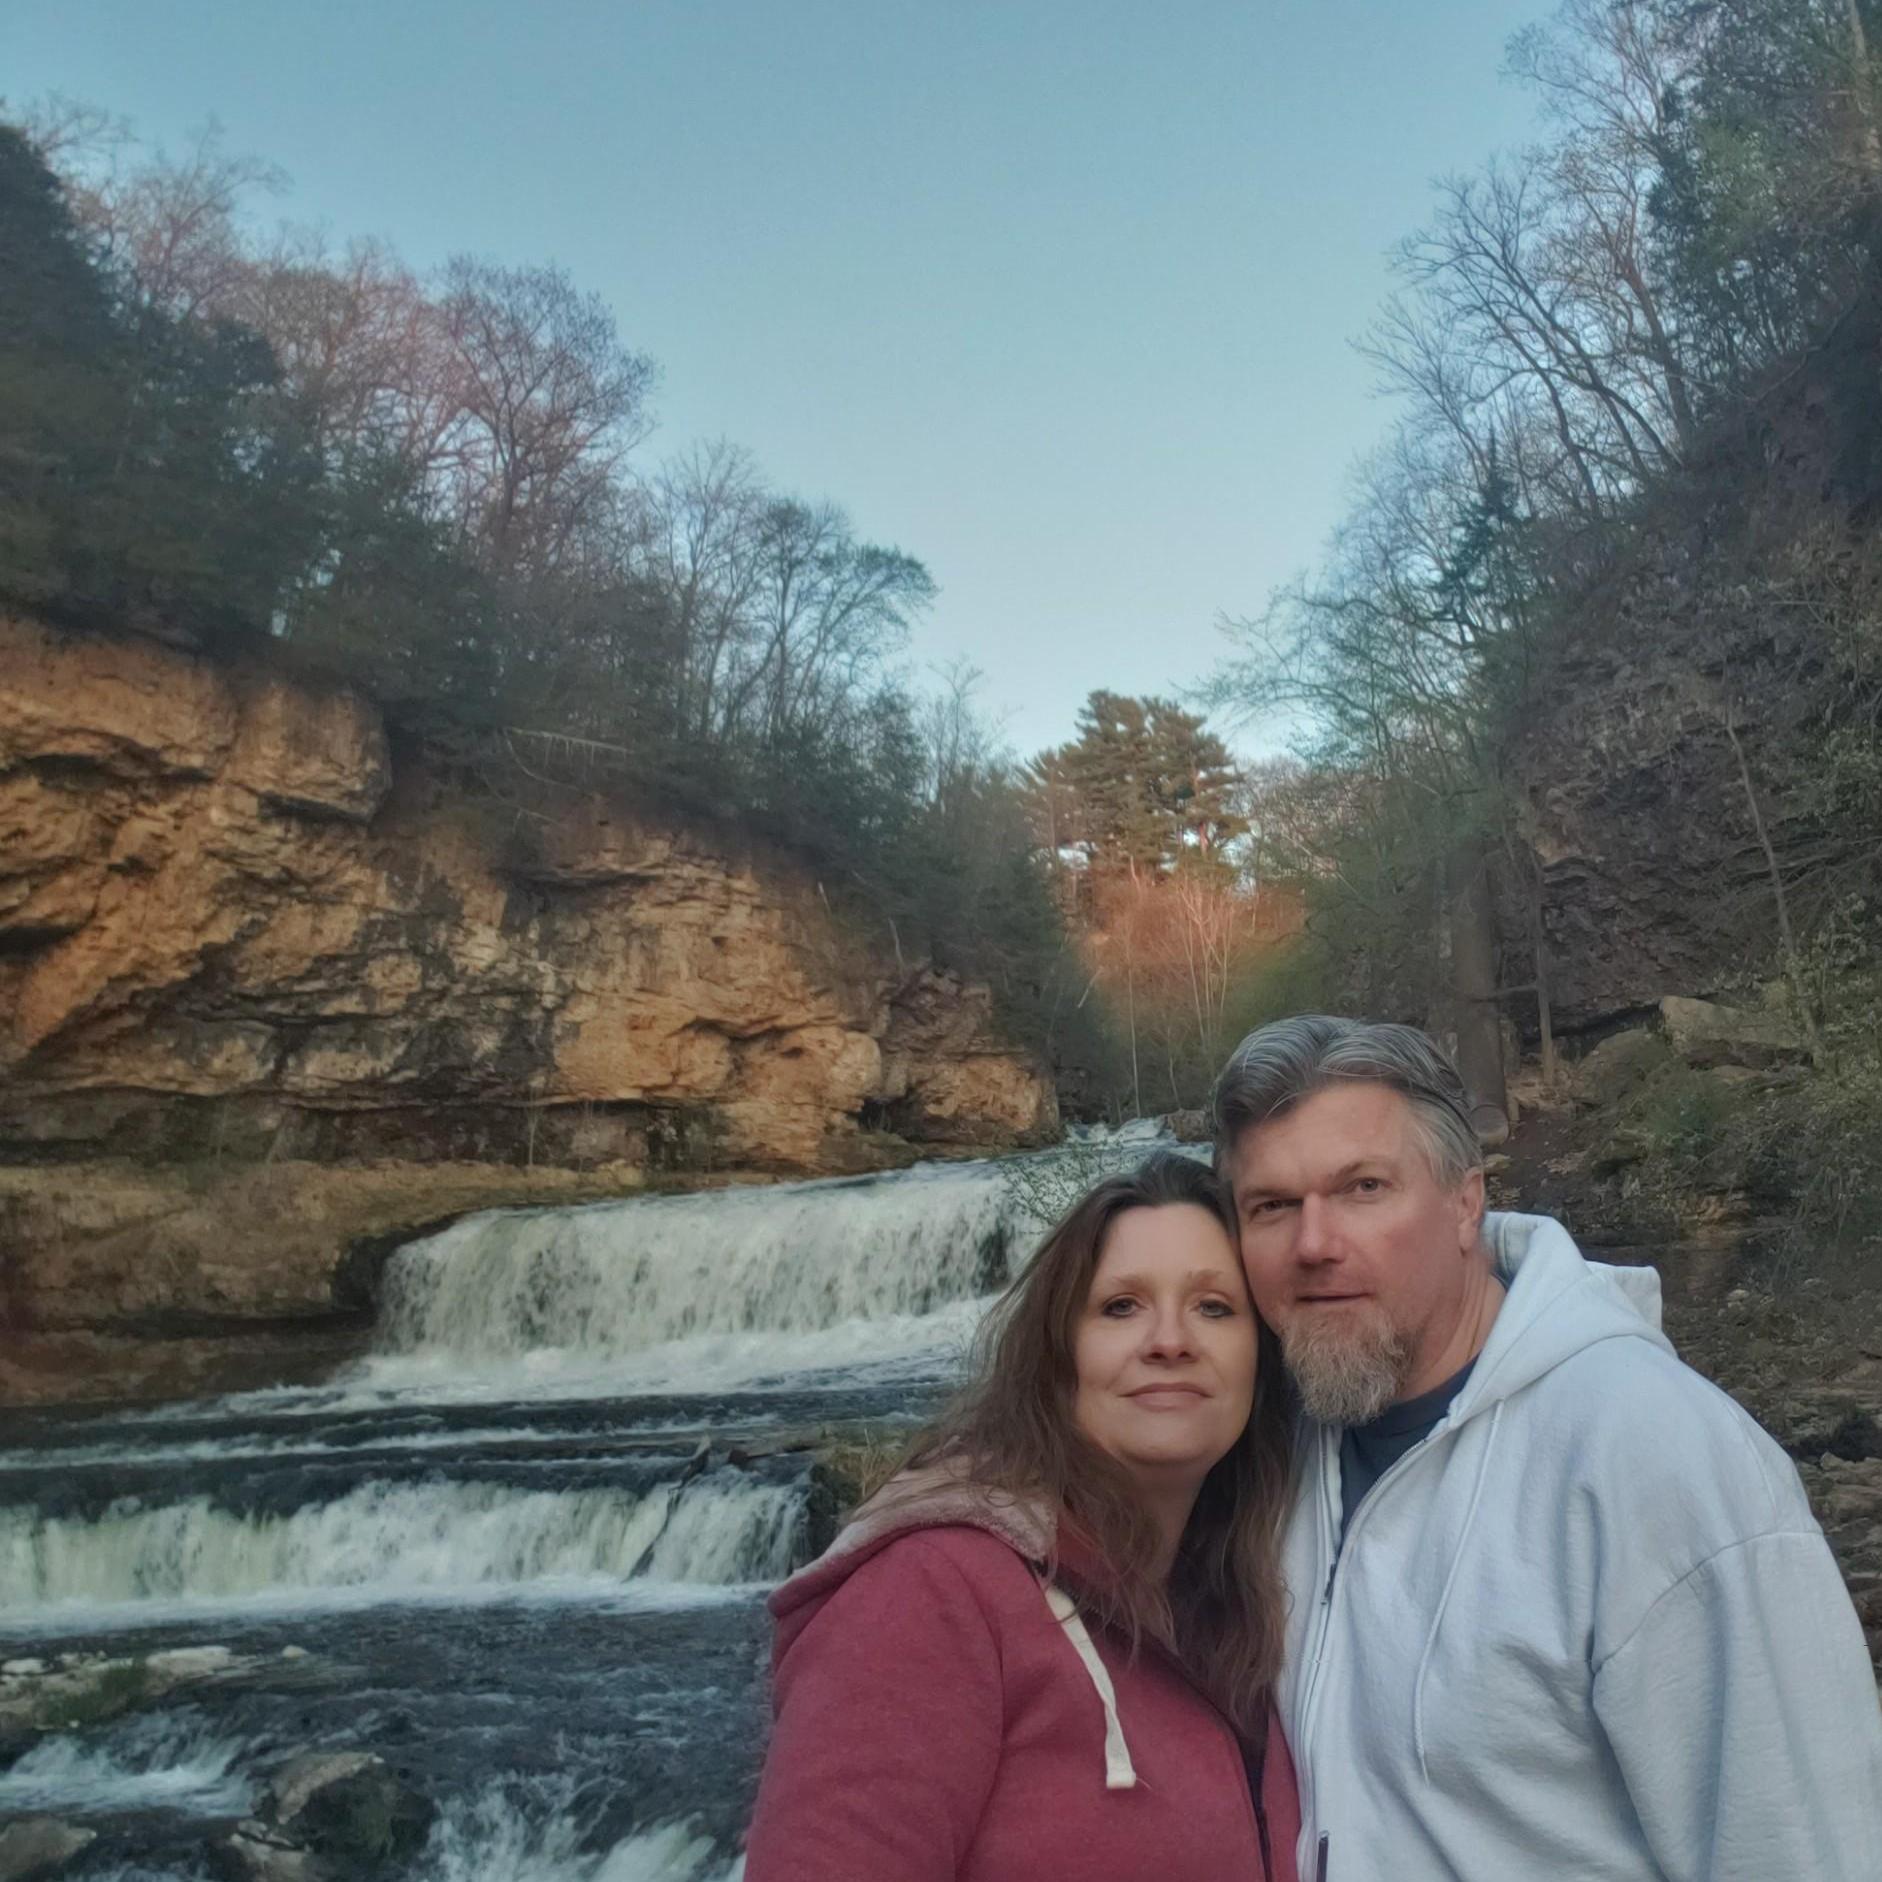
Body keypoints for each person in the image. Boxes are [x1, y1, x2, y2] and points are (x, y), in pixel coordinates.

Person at [1213, 1013, 1882, 1882]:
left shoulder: (1658, 1459)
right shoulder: (1272, 1446)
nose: (1314, 1244)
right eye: (1272, 1206)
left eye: (1364, 1188)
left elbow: (1803, 1847)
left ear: (1466, 1201)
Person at [744, 1150, 1301, 1882]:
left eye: (1214, 1307)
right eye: (1120, 1307)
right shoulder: (931, 1593)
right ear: (1057, 1356)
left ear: (1261, 1363)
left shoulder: (1252, 1605)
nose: (1170, 1340)